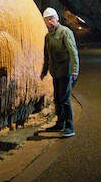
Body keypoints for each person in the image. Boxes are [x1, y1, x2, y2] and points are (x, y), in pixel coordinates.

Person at [40, 7, 79, 137]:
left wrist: (75, 71)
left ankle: (69, 126)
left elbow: (73, 52)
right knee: (57, 98)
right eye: (47, 20)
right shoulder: (48, 37)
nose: (49, 22)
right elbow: (47, 55)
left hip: (65, 70)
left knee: (65, 99)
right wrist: (45, 70)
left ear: (56, 19)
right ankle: (60, 123)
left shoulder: (65, 32)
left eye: (51, 19)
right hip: (55, 71)